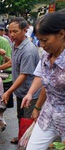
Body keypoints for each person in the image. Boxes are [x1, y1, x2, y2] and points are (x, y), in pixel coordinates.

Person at [21, 12, 65, 149]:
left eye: (45, 40)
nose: (41, 44)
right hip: (48, 115)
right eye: (39, 40)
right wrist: (36, 105)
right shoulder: (46, 56)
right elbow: (44, 81)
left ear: (61, 34)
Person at [2, 17, 40, 144]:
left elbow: (23, 75)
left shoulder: (28, 50)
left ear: (25, 30)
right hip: (20, 91)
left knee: (28, 119)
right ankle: (21, 137)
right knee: (20, 116)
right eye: (10, 31)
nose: (12, 34)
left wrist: (8, 92)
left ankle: (27, 143)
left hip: (30, 93)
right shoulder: (15, 44)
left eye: (15, 31)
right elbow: (14, 62)